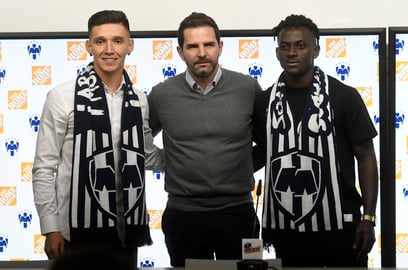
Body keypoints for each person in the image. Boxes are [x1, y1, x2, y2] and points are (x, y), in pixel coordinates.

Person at [32, 10, 164, 266]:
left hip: (125, 230)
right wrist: (51, 227)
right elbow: (44, 168)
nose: (109, 49)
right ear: (88, 46)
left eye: (117, 40)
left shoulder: (139, 99)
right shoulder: (62, 97)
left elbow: (146, 156)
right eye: (100, 41)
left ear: (130, 45)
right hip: (74, 230)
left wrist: (193, 155)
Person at [253, 14, 379, 267]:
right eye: (285, 46)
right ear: (277, 52)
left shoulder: (344, 96)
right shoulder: (264, 102)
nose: (292, 52)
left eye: (300, 45)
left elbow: (366, 158)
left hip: (342, 226)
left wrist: (368, 217)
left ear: (316, 50)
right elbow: (262, 154)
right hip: (285, 227)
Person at [148, 12, 263, 267]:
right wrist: (172, 162)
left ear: (220, 47)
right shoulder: (161, 95)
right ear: (180, 51)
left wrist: (240, 165)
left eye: (208, 44)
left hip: (239, 213)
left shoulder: (247, 88)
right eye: (192, 46)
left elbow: (268, 144)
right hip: (183, 216)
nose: (202, 52)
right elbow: (137, 141)